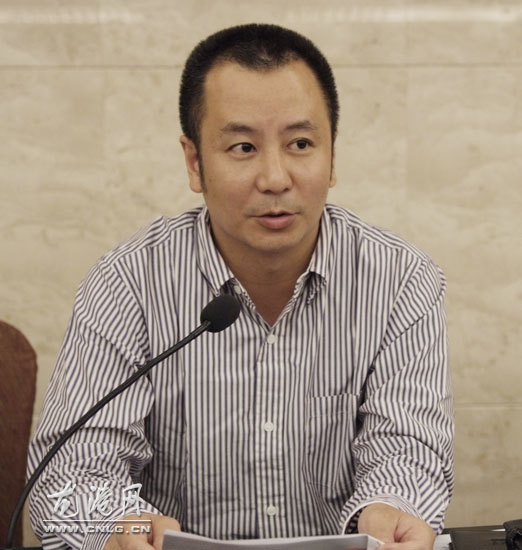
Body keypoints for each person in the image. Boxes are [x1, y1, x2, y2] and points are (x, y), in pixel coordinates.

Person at [27, 24, 454, 550]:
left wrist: (390, 509)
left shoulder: (400, 280)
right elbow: (70, 475)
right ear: (195, 163)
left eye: (301, 144)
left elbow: (409, 449)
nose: (275, 178)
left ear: (332, 156)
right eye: (243, 146)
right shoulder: (127, 283)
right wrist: (118, 525)